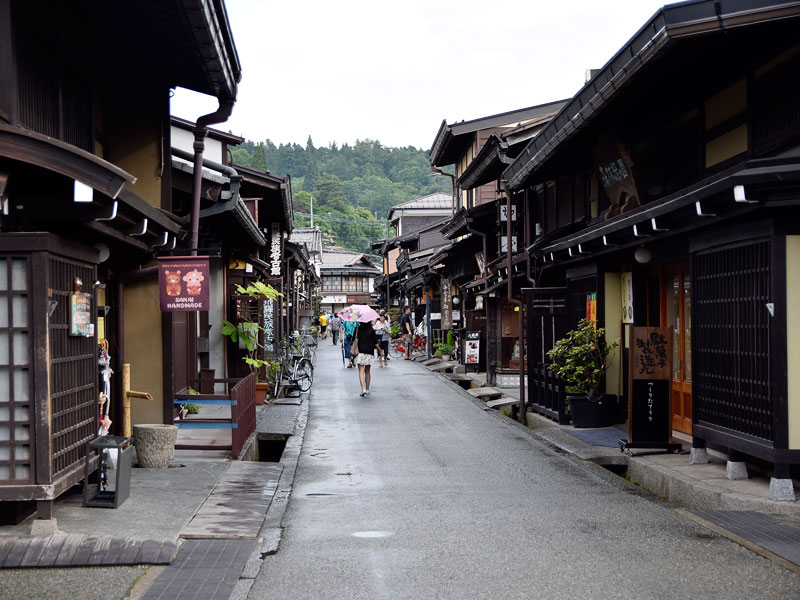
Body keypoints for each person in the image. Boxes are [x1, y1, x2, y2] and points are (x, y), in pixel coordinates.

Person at [354, 320, 382, 396]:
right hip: (369, 352)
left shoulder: (357, 329)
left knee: (361, 371)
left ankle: (363, 389)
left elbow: (354, 340)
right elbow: (375, 342)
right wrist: (380, 350)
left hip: (360, 352)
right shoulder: (371, 330)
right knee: (367, 371)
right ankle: (367, 389)